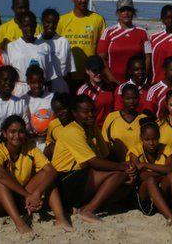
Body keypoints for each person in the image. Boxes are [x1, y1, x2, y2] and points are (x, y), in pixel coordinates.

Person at [51, 95, 135, 223]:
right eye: (86, 112)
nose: (91, 114)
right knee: (118, 175)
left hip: (81, 175)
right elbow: (94, 161)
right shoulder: (72, 131)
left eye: (93, 111)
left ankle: (84, 207)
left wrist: (125, 166)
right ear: (75, 113)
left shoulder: (91, 127)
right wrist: (124, 167)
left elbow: (104, 156)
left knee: (125, 184)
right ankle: (88, 210)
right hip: (65, 179)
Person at [0, 115, 70, 233]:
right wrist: (28, 195)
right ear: (5, 134)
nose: (17, 136)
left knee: (47, 176)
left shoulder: (30, 147)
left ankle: (61, 219)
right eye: (12, 132)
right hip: (2, 202)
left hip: (24, 199)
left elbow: (51, 170)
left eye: (21, 132)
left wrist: (36, 194)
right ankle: (20, 223)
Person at [128, 116, 172, 227]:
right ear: (141, 138)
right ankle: (171, 218)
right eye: (147, 139)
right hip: (145, 199)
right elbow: (140, 176)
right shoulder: (135, 151)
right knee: (150, 181)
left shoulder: (165, 148)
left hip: (163, 195)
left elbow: (171, 169)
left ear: (159, 137)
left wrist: (145, 165)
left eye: (154, 139)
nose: (151, 143)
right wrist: (162, 173)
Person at [56, 0, 106, 91]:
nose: (83, 0)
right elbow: (56, 49)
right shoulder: (62, 20)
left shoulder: (98, 19)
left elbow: (102, 49)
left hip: (90, 76)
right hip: (67, 75)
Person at [97, 0, 150, 84]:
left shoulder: (143, 32)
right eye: (122, 10)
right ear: (118, 13)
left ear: (133, 12)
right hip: (113, 83)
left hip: (136, 83)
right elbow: (101, 58)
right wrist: (112, 80)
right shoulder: (108, 32)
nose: (126, 13)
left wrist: (142, 79)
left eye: (129, 10)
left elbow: (148, 58)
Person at [6, 11, 57, 96]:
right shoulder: (11, 47)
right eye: (25, 26)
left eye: (31, 25)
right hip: (19, 92)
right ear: (20, 26)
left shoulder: (45, 46)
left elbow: (49, 76)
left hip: (39, 90)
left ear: (36, 25)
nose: (29, 28)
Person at [102, 83, 146, 161]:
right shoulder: (111, 117)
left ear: (139, 99)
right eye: (128, 98)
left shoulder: (144, 119)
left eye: (135, 98)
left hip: (140, 166)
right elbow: (105, 144)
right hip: (118, 165)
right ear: (122, 99)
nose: (132, 101)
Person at [39, 8, 75, 93]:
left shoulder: (63, 42)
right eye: (48, 22)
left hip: (60, 85)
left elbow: (69, 71)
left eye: (54, 23)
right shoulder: (37, 42)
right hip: (40, 86)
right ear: (42, 22)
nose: (51, 25)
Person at [77, 55, 115, 128]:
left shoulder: (111, 87)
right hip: (94, 130)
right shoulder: (83, 91)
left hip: (110, 128)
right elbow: (81, 116)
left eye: (100, 70)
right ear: (87, 71)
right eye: (95, 70)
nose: (98, 74)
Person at [23, 65, 55, 151]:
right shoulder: (23, 100)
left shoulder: (52, 97)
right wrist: (30, 134)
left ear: (44, 81)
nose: (37, 85)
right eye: (33, 82)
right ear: (28, 82)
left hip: (49, 143)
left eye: (40, 82)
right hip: (31, 144)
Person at [44, 93, 73, 158]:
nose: (59, 113)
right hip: (60, 163)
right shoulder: (53, 124)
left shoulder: (79, 122)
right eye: (56, 111)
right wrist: (52, 148)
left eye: (62, 109)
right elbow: (49, 142)